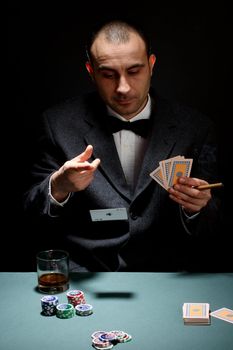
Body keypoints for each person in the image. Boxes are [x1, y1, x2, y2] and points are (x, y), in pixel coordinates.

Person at [23, 18, 222, 272]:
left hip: (167, 276)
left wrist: (197, 208)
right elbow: (27, 218)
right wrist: (57, 187)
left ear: (151, 65)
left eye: (134, 71)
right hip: (88, 276)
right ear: (90, 71)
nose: (123, 88)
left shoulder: (196, 127)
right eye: (108, 75)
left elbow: (218, 226)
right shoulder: (56, 124)